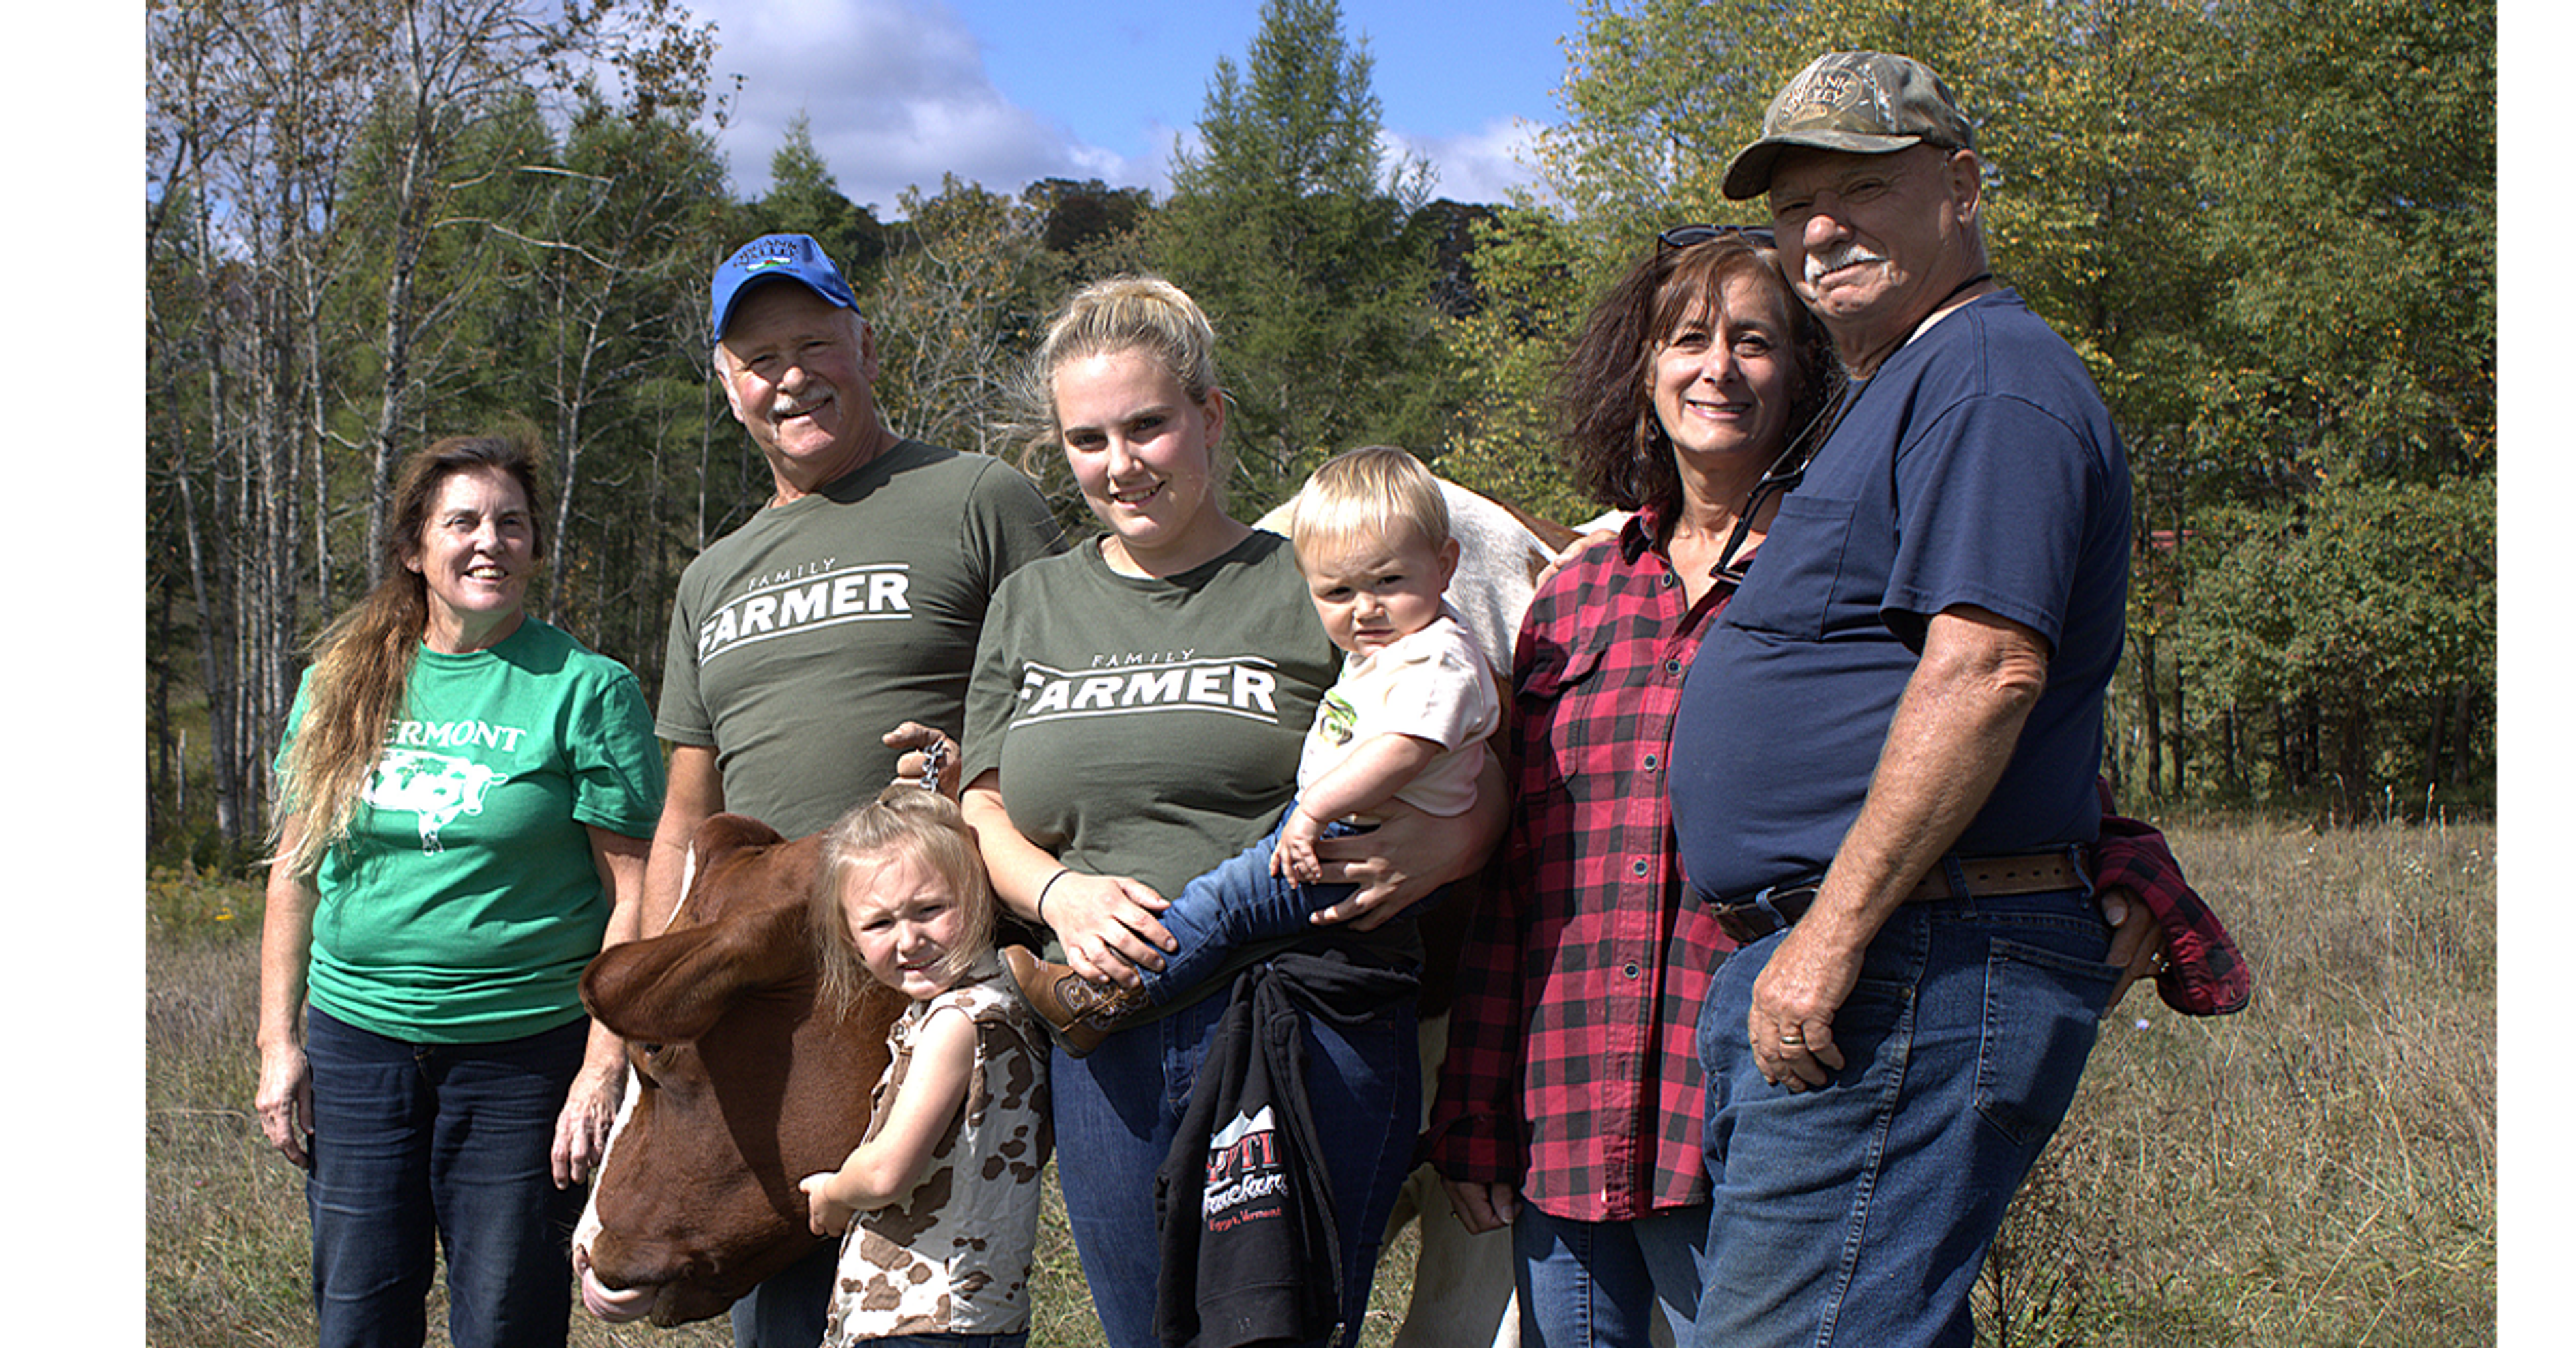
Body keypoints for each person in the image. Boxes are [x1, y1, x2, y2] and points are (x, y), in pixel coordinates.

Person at [1666, 51, 2139, 1347]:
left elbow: (1988, 669)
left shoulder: (1988, 376)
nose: (1822, 228)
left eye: (1863, 186)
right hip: (1880, 960)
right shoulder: (1906, 388)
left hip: (1906, 964)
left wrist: (1830, 938)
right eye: (1794, 203)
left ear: (1961, 186)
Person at [958, 275, 1507, 1348]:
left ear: (1209, 415)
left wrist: (1447, 843)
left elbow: (1461, 749)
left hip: (1295, 1019)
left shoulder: (1311, 580)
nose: (1122, 464)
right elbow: (981, 806)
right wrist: (1060, 892)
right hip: (1103, 1021)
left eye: (1150, 424)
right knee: (1144, 1329)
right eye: (1088, 438)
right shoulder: (1032, 601)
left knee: (1284, 1331)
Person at [635, 232, 1064, 1347]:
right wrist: (622, 1032)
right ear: (729, 386)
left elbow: (1070, 706)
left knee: (933, 1313)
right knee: (780, 1297)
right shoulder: (711, 575)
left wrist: (968, 784)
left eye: (814, 342)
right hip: (775, 1008)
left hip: (930, 990)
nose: (791, 376)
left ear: (864, 345)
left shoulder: (978, 498)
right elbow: (687, 814)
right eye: (760, 357)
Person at [256, 433, 665, 1348]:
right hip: (358, 1046)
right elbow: (296, 869)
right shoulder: (342, 684)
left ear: (536, 546)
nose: (491, 541)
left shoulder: (586, 689)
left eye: (512, 523)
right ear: (413, 547)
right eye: (463, 521)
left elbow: (632, 895)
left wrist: (603, 1068)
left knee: (507, 1316)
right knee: (359, 1309)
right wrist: (278, 1041)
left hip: (522, 1056)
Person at [1001, 444, 1501, 1053]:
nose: (1366, 608)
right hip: (1342, 824)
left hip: (1356, 836)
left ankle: (1109, 996)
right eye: (1337, 592)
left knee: (1228, 904)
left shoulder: (1437, 656)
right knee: (1228, 899)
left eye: (1389, 582)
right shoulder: (1393, 644)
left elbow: (1401, 751)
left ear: (1445, 565)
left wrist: (1314, 811)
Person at [797, 784, 1051, 1348]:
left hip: (922, 1317)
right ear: (851, 937)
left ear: (977, 897)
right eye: (880, 924)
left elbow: (888, 1172)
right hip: (981, 1313)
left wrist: (836, 1193)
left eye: (930, 910)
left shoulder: (957, 1023)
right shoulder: (1002, 1002)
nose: (909, 940)